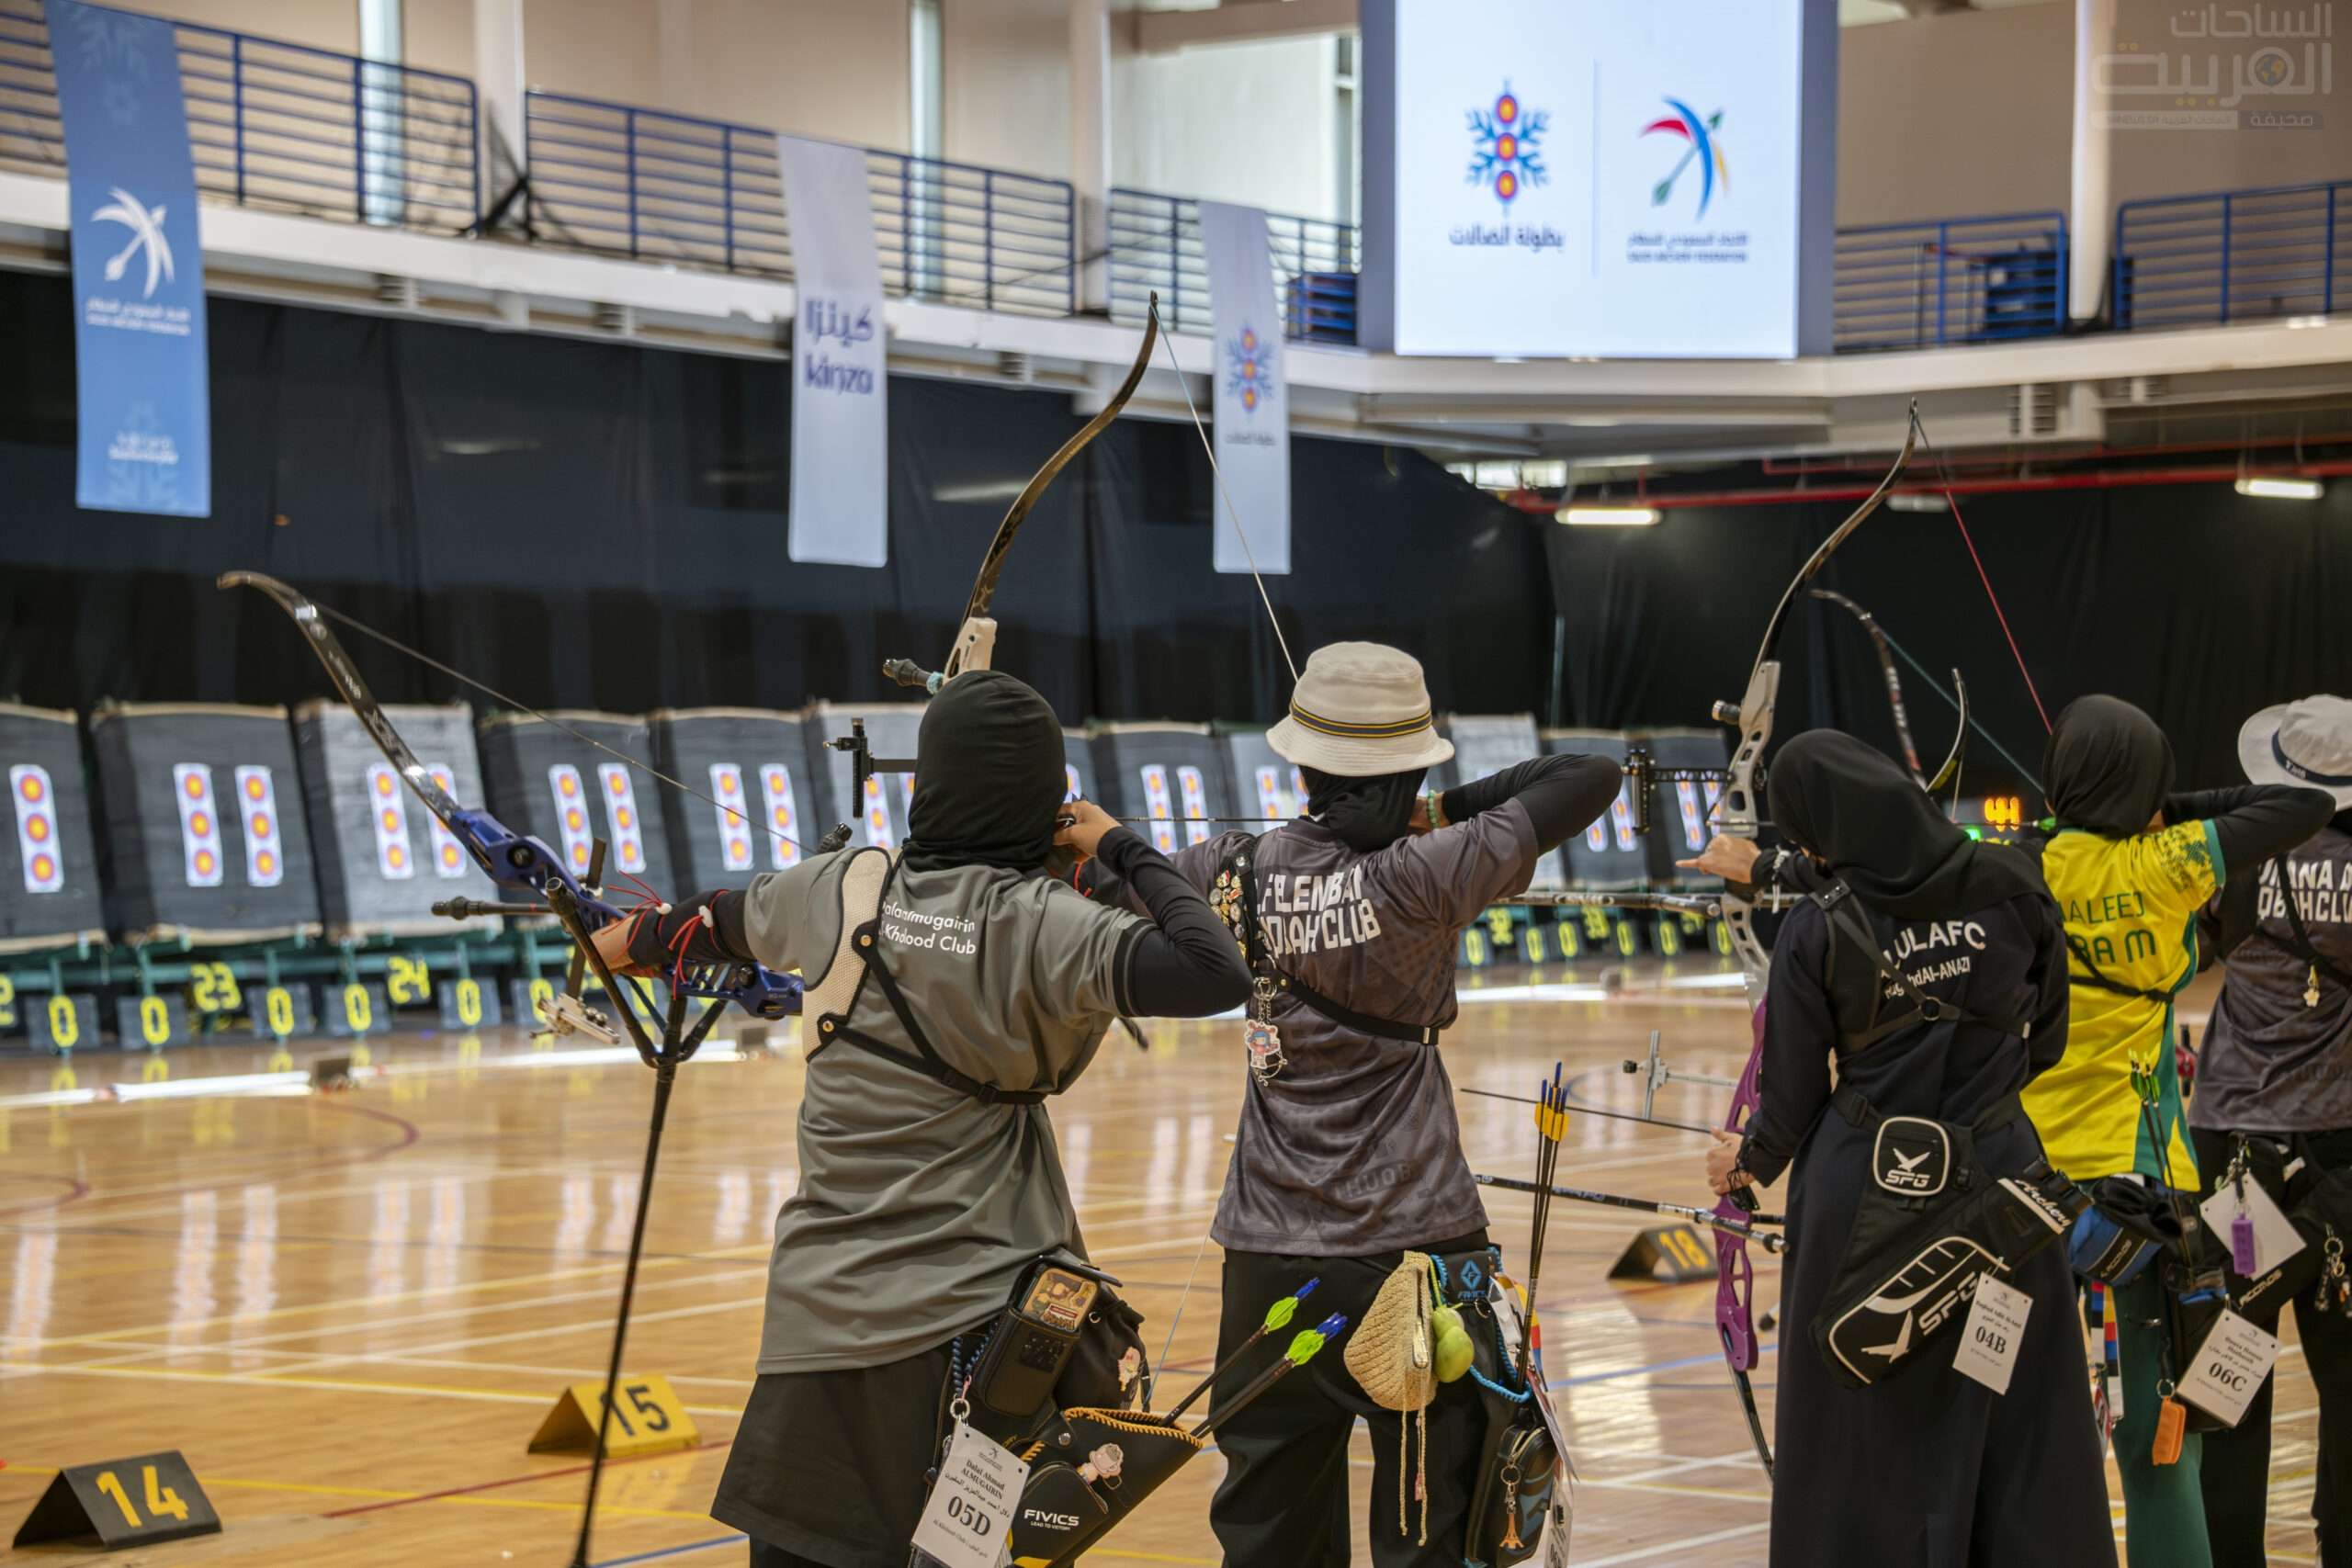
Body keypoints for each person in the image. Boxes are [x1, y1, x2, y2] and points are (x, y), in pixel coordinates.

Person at [591, 669, 1251, 1568]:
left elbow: (704, 923)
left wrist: (612, 942)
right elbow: (1213, 970)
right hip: (983, 1339)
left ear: (929, 783)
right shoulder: (1049, 922)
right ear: (1047, 800)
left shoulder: (838, 886)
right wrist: (1119, 845)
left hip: (822, 1328)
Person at [1079, 641, 1620, 1567]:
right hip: (1413, 1255)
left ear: (1303, 767)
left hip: (1266, 1261)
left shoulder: (1232, 866)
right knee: (1430, 1532)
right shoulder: (1428, 869)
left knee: (1271, 1537)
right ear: (1411, 770)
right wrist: (1435, 809)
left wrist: (1100, 840)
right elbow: (1589, 776)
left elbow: (1098, 883)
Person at [1689, 730, 2116, 1568]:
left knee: (1864, 1439)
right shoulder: (2016, 885)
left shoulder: (1816, 929)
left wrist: (1742, 1164)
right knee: (2018, 1424)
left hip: (1866, 1201)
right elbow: (2049, 1040)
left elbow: (1790, 1102)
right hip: (2002, 1184)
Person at [2020, 694, 2334, 1568]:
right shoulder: (2167, 862)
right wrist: (2165, 813)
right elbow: (2305, 804)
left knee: (2024, 1429)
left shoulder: (2024, 867)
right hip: (2138, 1193)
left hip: (2027, 1185)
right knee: (2160, 1438)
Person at [2188, 695, 2352, 1567]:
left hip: (2237, 1159)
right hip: (2341, 1158)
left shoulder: (2234, 860)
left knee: (2234, 1374)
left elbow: (2188, 951)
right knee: (2348, 1385)